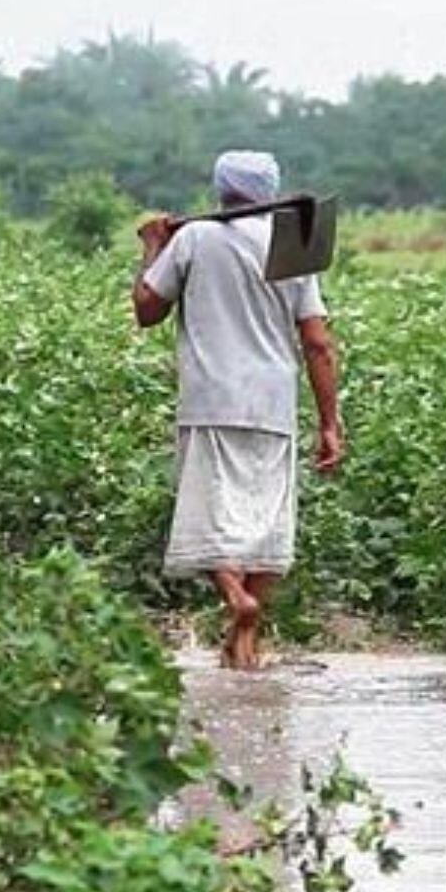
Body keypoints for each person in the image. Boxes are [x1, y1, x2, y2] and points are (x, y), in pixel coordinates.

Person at [131, 150, 343, 670]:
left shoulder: (194, 239)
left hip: (211, 399)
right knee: (266, 521)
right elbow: (317, 343)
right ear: (270, 193)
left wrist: (153, 248)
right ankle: (243, 642)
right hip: (273, 403)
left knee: (211, 512)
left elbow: (146, 309)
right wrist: (329, 422)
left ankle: (236, 600)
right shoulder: (291, 245)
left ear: (221, 192)